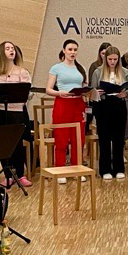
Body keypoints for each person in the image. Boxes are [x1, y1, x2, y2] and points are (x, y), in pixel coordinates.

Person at [0, 41, 33, 188]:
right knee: (1, 143)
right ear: (2, 52)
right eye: (7, 49)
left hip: (16, 111)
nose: (11, 51)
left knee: (17, 143)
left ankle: (20, 174)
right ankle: (7, 175)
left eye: (12, 48)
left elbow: (25, 93)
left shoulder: (22, 72)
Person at [46, 39, 89, 182]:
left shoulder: (81, 68)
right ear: (64, 50)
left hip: (78, 103)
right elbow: (48, 89)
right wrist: (60, 93)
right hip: (63, 103)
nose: (73, 52)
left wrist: (87, 92)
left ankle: (77, 169)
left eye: (75, 50)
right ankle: (60, 170)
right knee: (61, 137)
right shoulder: (56, 68)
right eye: (70, 49)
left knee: (79, 137)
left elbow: (84, 86)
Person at [90, 46, 128, 180]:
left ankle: (119, 168)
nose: (112, 62)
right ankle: (105, 169)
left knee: (119, 138)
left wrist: (125, 93)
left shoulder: (124, 72)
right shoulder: (98, 71)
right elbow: (92, 90)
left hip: (119, 104)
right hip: (104, 105)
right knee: (104, 138)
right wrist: (97, 92)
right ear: (105, 58)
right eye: (110, 59)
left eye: (115, 59)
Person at [86, 42, 112, 132]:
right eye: (103, 53)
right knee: (101, 125)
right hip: (99, 99)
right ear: (100, 54)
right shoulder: (95, 66)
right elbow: (91, 84)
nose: (105, 56)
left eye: (107, 53)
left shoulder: (114, 66)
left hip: (111, 98)